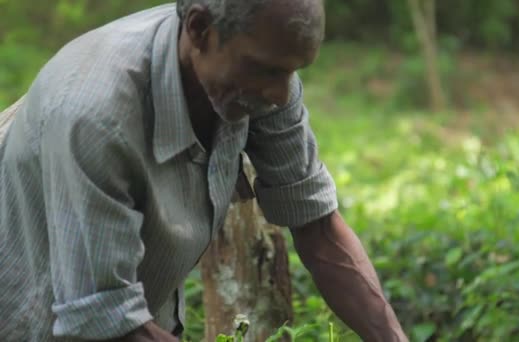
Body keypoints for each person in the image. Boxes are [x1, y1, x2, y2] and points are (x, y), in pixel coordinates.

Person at [0, 1, 409, 341]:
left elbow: (317, 226)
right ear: (198, 29)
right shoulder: (95, 116)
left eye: (293, 71)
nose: (281, 94)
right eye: (267, 70)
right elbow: (104, 320)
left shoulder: (260, 70)